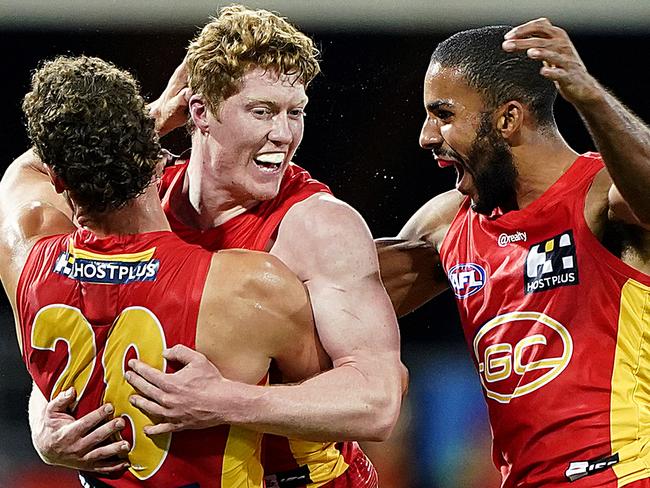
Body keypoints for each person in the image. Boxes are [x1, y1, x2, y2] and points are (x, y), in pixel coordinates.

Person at [25, 5, 403, 487]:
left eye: (296, 112)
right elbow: (82, 333)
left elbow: (378, 402)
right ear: (199, 111)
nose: (283, 135)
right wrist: (45, 424)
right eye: (262, 111)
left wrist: (223, 400)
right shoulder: (140, 199)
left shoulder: (317, 227)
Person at [1, 54, 337, 487]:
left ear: (59, 181)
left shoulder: (25, 255)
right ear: (159, 161)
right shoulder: (250, 286)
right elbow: (366, 400)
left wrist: (154, 115)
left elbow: (22, 171)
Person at [375, 17, 650, 487]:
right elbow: (338, 303)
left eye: (443, 115)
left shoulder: (604, 195)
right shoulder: (449, 223)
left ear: (508, 118)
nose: (426, 136)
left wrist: (589, 95)